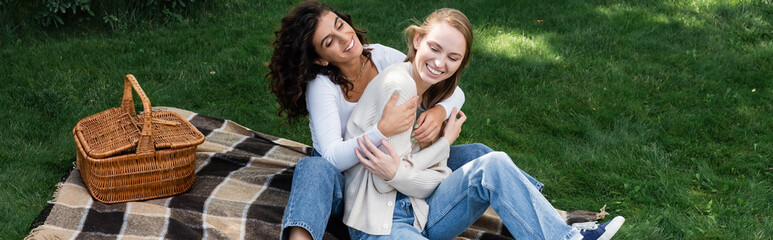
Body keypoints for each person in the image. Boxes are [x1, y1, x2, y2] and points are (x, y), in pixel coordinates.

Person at [266, 1, 580, 240]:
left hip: (406, 169)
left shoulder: (382, 57)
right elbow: (334, 156)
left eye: (340, 25)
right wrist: (382, 131)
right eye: (329, 41)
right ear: (321, 57)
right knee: (314, 167)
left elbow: (448, 86)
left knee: (482, 157)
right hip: (350, 181)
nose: (344, 37)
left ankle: (554, 221)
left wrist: (440, 112)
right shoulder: (322, 86)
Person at [343, 8, 625, 240]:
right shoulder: (400, 85)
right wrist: (441, 147)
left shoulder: (429, 90)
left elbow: (422, 177)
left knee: (494, 163)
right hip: (381, 222)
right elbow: (394, 181)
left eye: (453, 58)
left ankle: (564, 237)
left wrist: (411, 171)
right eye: (435, 48)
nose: (440, 63)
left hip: (421, 211)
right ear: (417, 39)